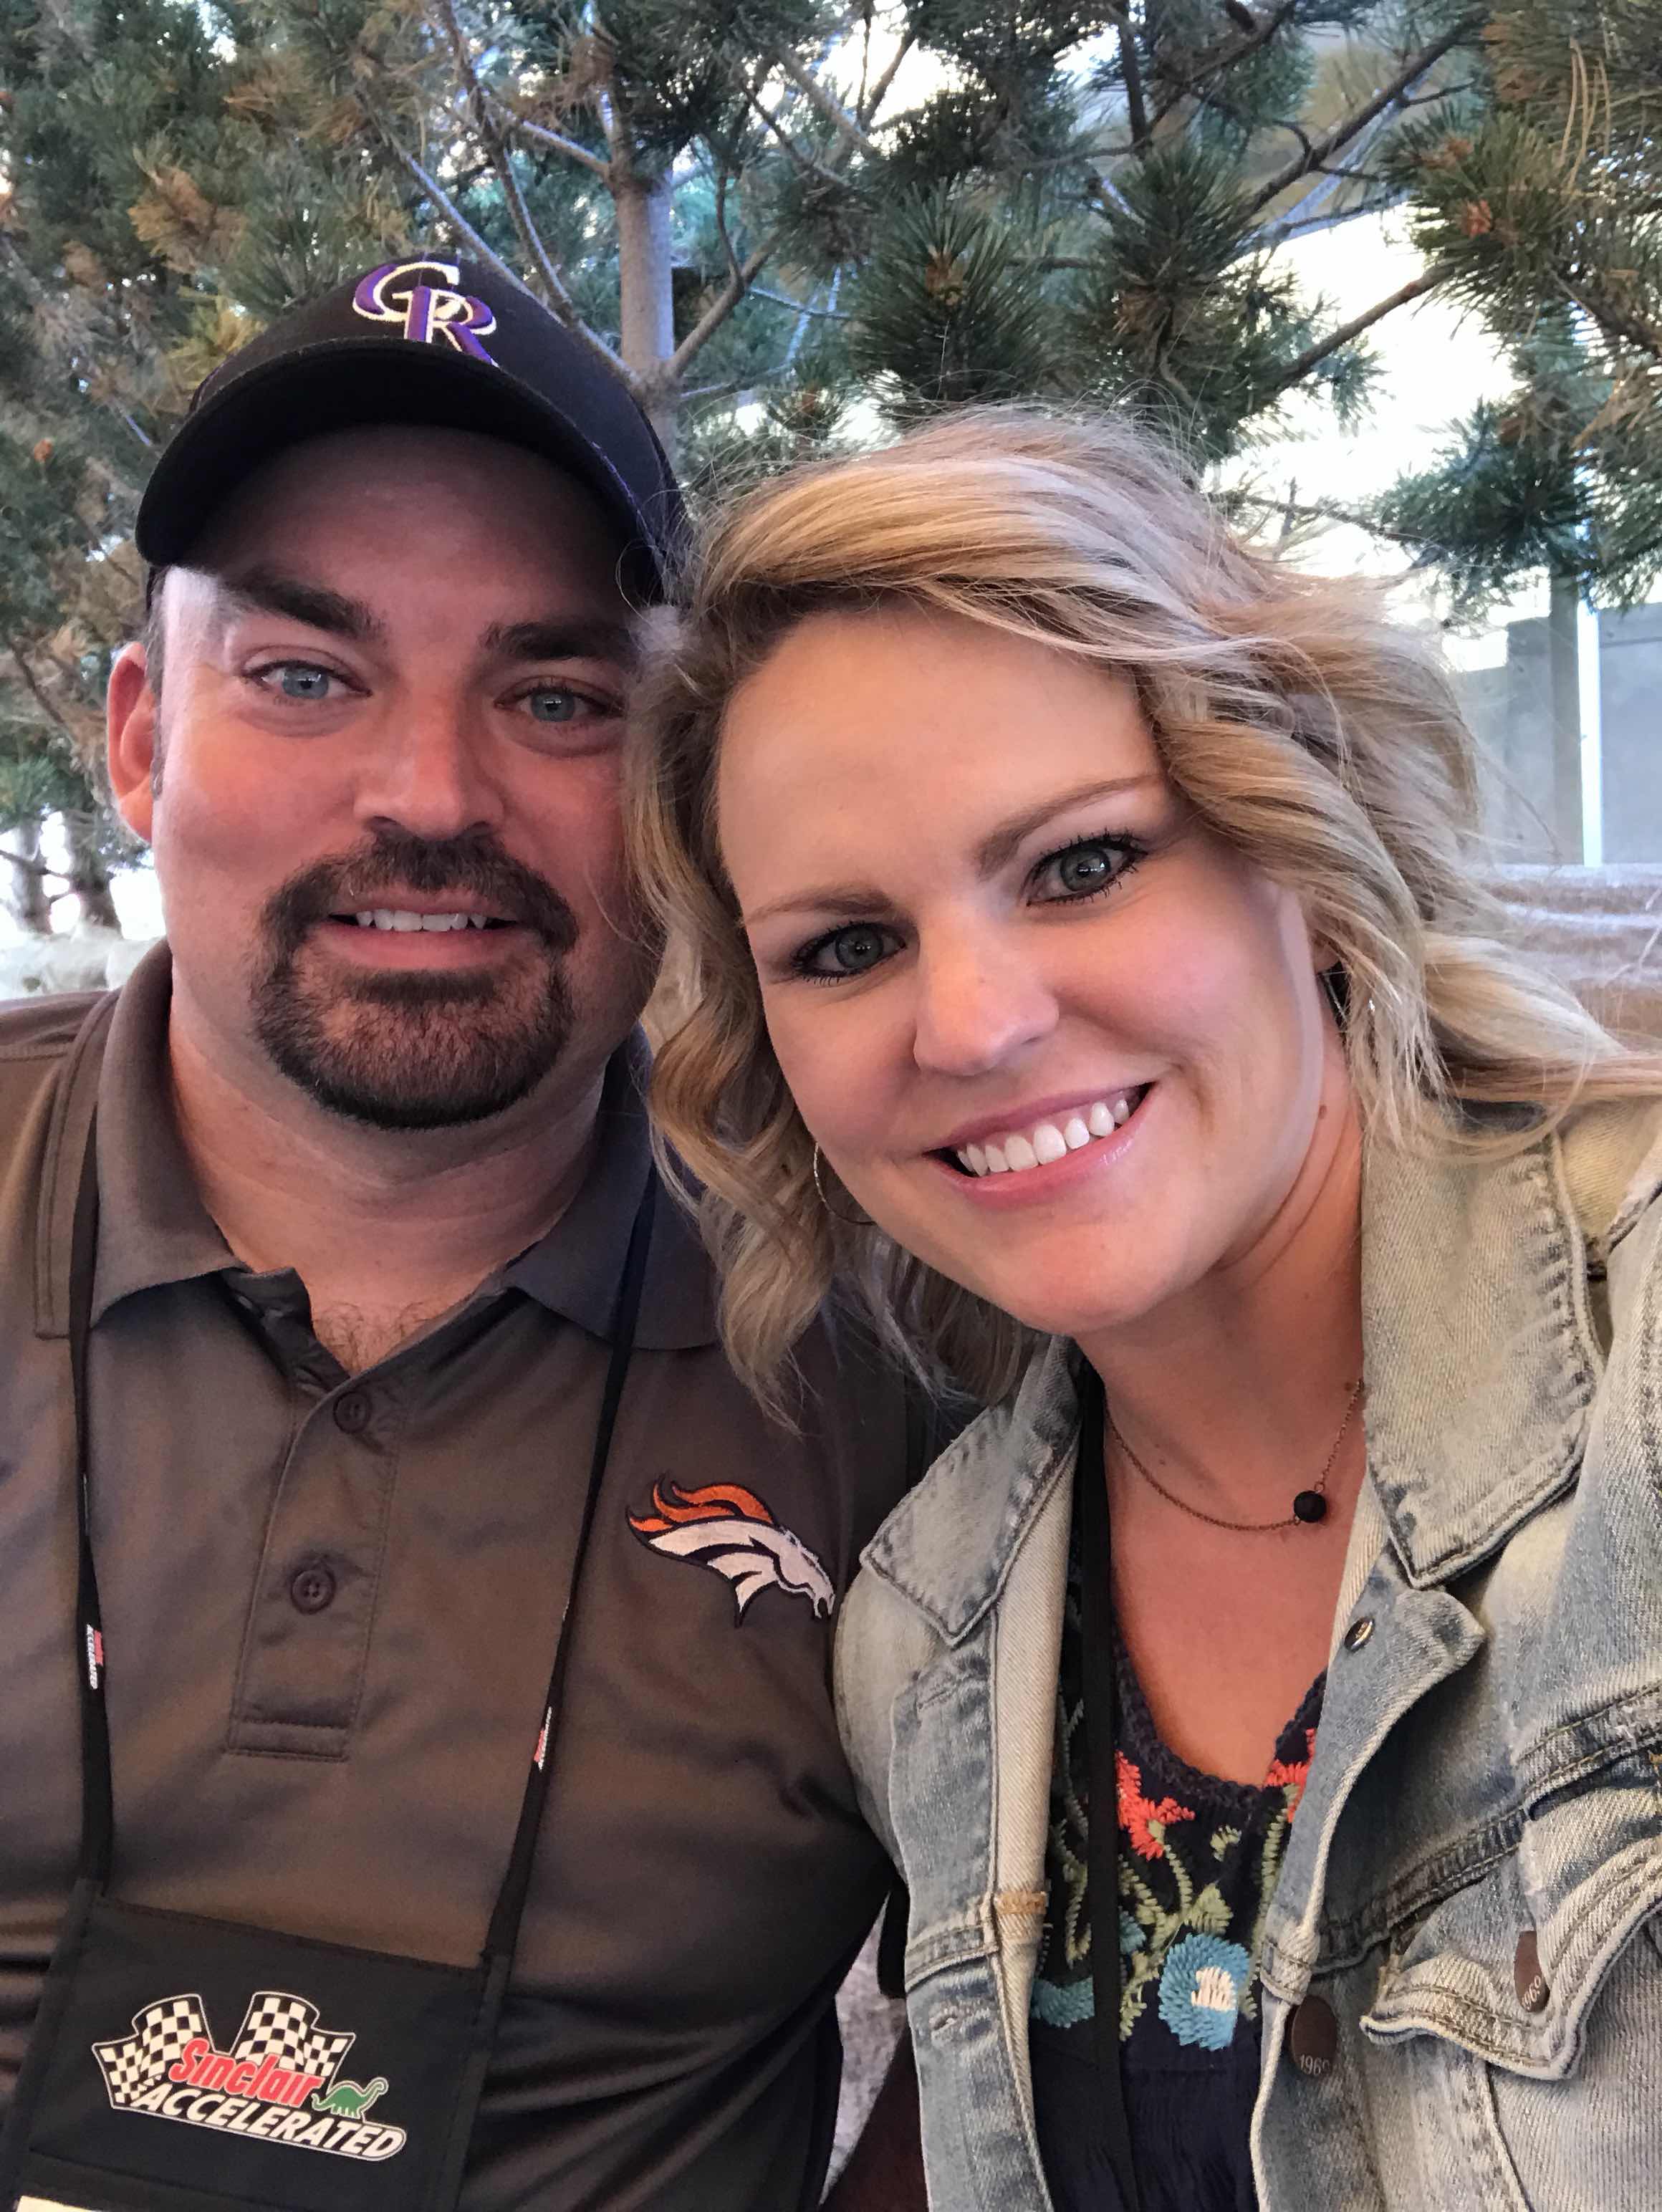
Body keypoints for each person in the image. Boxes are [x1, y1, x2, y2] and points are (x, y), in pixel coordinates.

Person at [630, 403, 1662, 2212]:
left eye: (1081, 863)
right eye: (845, 946)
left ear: (1304, 852)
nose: (973, 1023)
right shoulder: (924, 1632)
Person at [0, 258, 928, 2212]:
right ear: (141, 739)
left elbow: (1064, 2016)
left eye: (558, 697)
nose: (428, 794)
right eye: (304, 675)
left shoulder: (909, 1325)